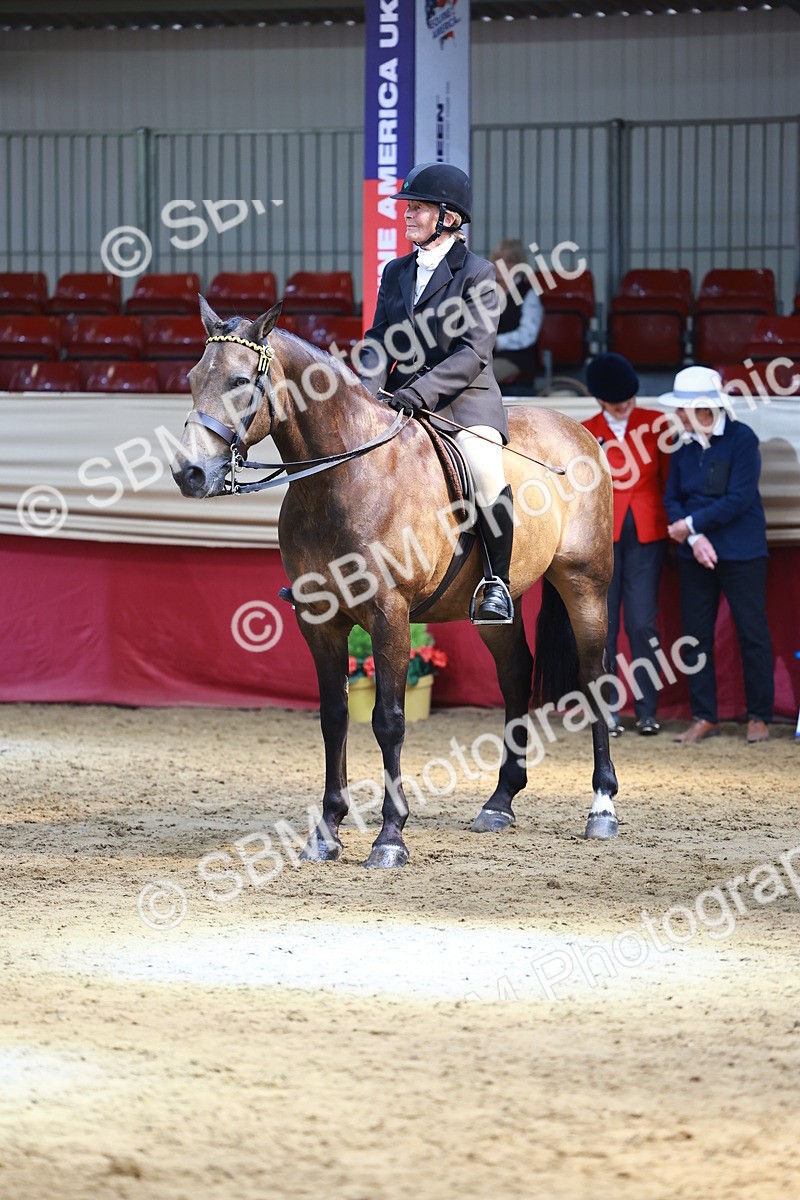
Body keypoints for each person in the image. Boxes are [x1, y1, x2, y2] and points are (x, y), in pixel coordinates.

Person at [358, 161, 514, 623]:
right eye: (408, 208)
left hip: (464, 403)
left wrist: (419, 393)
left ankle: (496, 582)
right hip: (402, 400)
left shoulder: (479, 274)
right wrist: (367, 395)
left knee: (484, 470)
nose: (407, 216)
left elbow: (473, 353)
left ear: (448, 217)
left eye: (418, 208)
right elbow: (378, 340)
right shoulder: (396, 270)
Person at [661, 365, 773, 744]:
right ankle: (704, 715)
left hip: (743, 552)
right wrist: (693, 539)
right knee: (695, 637)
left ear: (702, 408)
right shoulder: (681, 444)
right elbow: (671, 497)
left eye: (681, 408)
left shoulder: (743, 439)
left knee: (752, 633)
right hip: (696, 554)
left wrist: (691, 527)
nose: (676, 414)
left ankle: (759, 716)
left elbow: (739, 499)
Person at [583, 352, 670, 736]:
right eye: (617, 403)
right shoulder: (586, 429)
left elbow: (669, 480)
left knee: (641, 623)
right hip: (602, 538)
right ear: (601, 401)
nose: (625, 407)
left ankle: (647, 710)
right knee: (605, 624)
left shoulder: (657, 423)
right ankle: (610, 711)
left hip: (648, 535)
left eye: (629, 400)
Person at [489, 238, 544, 390]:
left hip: (514, 358)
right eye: (497, 259)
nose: (501, 265)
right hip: (483, 355)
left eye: (509, 261)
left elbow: (528, 334)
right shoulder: (485, 291)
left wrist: (498, 342)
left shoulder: (528, 294)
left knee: (479, 375)